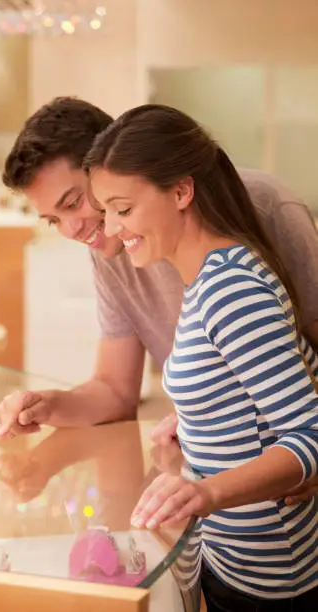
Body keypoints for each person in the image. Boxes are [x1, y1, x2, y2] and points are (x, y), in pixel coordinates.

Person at [0, 97, 318, 505]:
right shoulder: (113, 252)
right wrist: (47, 407)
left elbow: (304, 404)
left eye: (74, 202)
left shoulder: (264, 210)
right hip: (219, 496)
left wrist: (305, 454)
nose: (72, 230)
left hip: (279, 494)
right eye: (53, 220)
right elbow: (115, 390)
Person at [84, 104, 318, 610]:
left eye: (123, 208)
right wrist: (194, 421)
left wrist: (206, 494)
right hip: (234, 561)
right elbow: (257, 393)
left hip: (272, 578)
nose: (111, 228)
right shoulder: (213, 279)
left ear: (182, 191)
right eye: (105, 210)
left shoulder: (231, 289)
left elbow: (310, 435)